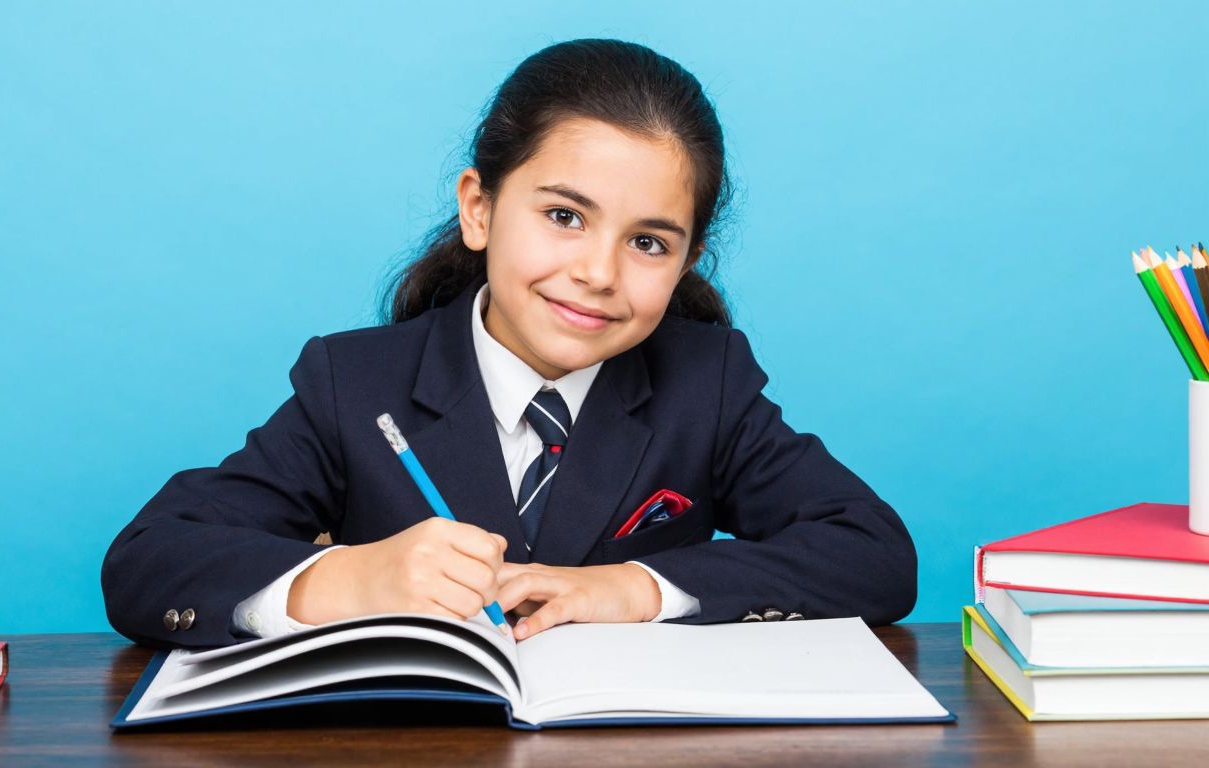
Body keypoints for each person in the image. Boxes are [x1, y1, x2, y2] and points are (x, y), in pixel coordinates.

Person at [101, 38, 917, 650]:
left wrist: (636, 589)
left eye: (649, 243)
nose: (598, 273)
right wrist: (349, 578)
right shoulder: (353, 383)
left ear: (685, 262)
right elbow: (147, 562)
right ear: (479, 209)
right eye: (564, 216)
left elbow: (875, 555)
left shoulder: (706, 381)